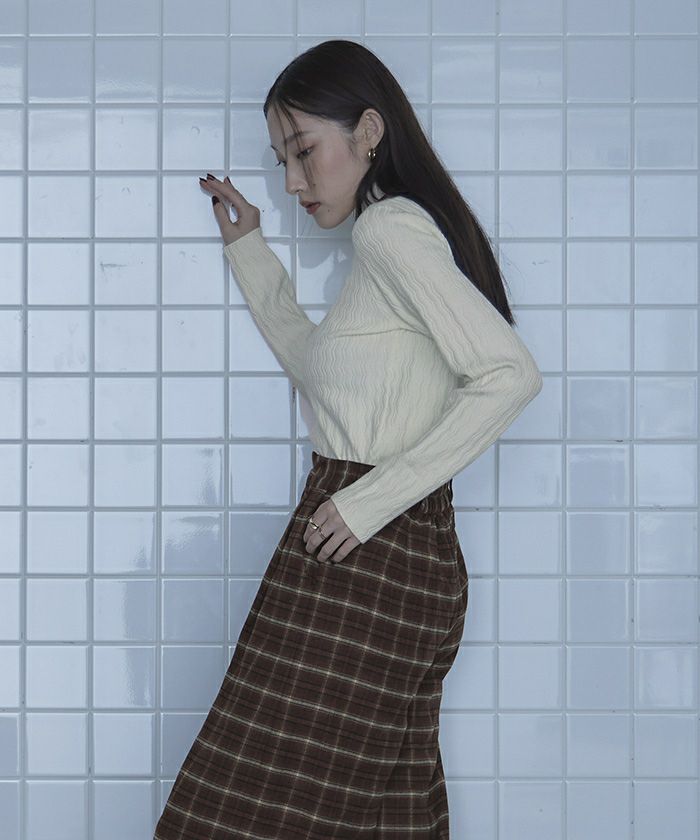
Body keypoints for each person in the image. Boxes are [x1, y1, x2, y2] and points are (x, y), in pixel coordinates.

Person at [154, 39, 542, 839]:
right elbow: (319, 372)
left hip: (370, 551)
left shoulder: (389, 231)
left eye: (304, 152)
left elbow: (509, 374)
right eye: (282, 161)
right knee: (385, 813)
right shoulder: (389, 243)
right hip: (387, 550)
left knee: (246, 810)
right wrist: (249, 248)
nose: (293, 182)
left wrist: (368, 501)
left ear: (369, 131)